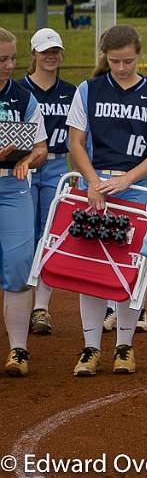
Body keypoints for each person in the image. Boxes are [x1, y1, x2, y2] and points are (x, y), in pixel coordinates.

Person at [65, 24, 147, 376]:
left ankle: (124, 346)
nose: (122, 68)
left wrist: (128, 178)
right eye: (115, 62)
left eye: (128, 61)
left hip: (137, 187)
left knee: (130, 271)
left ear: (139, 55)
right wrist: (94, 181)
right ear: (105, 59)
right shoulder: (90, 89)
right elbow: (76, 143)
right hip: (95, 187)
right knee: (90, 269)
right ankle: (91, 347)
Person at [21, 28, 76, 336]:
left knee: (49, 236)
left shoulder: (71, 91)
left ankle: (41, 307)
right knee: (22, 236)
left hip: (57, 166)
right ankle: (19, 301)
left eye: (55, 50)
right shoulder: (20, 91)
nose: (51, 56)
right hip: (23, 167)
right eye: (45, 51)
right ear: (34, 55)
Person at [1, 27, 48, 376]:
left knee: (19, 264)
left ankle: (19, 350)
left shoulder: (22, 97)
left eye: (12, 58)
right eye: (1, 59)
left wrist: (26, 159)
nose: (8, 66)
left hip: (13, 186)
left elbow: (42, 149)